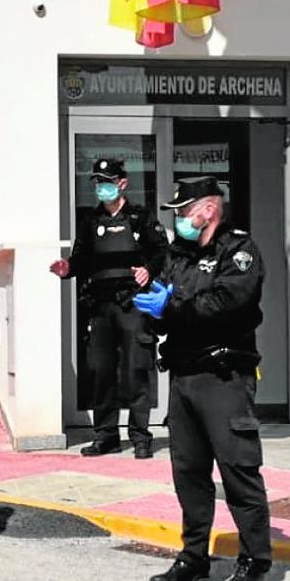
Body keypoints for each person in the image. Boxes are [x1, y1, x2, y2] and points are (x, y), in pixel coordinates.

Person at [135, 176, 272, 581]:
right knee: (189, 473)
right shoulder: (179, 256)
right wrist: (154, 306)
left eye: (183, 211)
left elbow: (224, 306)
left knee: (238, 470)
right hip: (184, 376)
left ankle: (255, 560)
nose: (178, 219)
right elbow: (169, 307)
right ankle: (194, 557)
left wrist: (171, 307)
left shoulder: (240, 252)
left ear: (208, 209)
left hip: (224, 376)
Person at [49, 158, 168, 459]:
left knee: (136, 369)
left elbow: (161, 253)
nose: (101, 187)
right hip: (101, 307)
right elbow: (81, 260)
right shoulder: (90, 222)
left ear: (122, 183)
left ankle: (140, 436)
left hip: (133, 304)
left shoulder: (140, 218)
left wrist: (148, 271)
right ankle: (106, 436)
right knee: (101, 372)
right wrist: (67, 268)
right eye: (98, 182)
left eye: (107, 181)